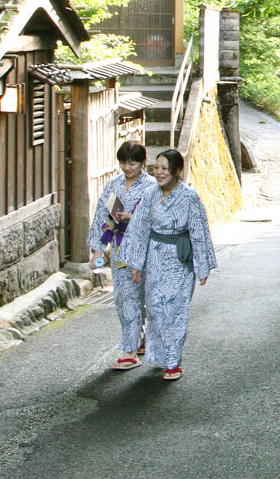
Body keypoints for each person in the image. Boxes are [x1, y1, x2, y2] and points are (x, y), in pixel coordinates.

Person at [115, 147, 216, 380]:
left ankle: (173, 362)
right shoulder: (150, 194)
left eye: (164, 168)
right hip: (155, 257)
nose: (159, 173)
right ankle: (159, 356)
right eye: (156, 168)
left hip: (180, 260)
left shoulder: (189, 196)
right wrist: (135, 264)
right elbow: (139, 230)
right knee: (156, 310)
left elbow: (199, 232)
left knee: (175, 310)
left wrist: (201, 266)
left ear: (177, 171)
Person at [88, 141, 160, 371]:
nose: (127, 167)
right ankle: (131, 347)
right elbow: (102, 216)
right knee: (124, 297)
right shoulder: (113, 184)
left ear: (143, 162)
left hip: (145, 249)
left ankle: (140, 343)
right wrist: (98, 250)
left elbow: (159, 217)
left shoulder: (152, 186)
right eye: (123, 162)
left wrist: (133, 217)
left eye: (133, 162)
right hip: (120, 249)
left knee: (147, 297)